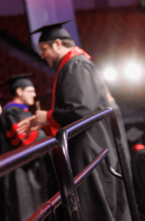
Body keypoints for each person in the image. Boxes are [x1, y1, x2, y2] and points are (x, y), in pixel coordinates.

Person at [18, 21, 131, 221]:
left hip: (90, 147)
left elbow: (82, 108)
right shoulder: (75, 64)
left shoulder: (76, 64)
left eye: (44, 49)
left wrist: (48, 116)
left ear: (58, 43)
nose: (42, 55)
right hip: (91, 146)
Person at [0, 75, 48, 221]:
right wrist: (51, 134)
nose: (35, 94)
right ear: (19, 91)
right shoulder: (11, 112)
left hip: (29, 170)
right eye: (30, 91)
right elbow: (28, 140)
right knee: (24, 213)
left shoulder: (24, 112)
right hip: (18, 173)